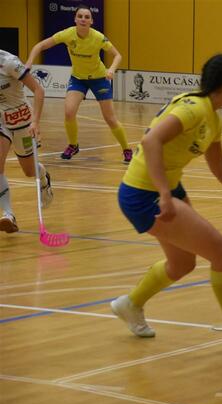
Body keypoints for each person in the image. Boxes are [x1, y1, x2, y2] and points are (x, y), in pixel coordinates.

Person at [111, 54, 222, 355]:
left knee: (182, 263)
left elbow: (218, 164)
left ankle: (131, 304)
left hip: (167, 188)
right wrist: (164, 194)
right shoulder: (194, 108)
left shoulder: (212, 117)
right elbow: (151, 142)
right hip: (143, 193)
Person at [25, 5, 133, 163]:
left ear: (91, 21)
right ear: (75, 19)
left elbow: (117, 55)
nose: (83, 19)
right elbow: (40, 46)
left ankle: (127, 149)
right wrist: (29, 62)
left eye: (87, 17)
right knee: (69, 112)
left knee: (110, 118)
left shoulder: (98, 37)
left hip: (99, 79)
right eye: (80, 16)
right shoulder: (67, 34)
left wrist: (112, 69)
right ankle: (73, 145)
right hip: (78, 79)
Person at [0, 49, 53, 233]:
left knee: (29, 170)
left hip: (22, 120)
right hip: (1, 122)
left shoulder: (8, 62)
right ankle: (8, 215)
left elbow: (38, 90)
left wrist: (35, 121)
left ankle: (44, 177)